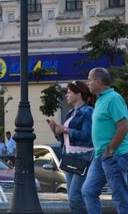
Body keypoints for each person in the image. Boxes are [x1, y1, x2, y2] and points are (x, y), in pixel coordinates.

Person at [83, 67, 128, 214]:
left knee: (121, 197)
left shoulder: (113, 98)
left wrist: (109, 151)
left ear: (98, 81)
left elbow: (123, 126)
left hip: (115, 155)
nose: (88, 83)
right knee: (88, 191)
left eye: (90, 79)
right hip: (100, 156)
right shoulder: (100, 100)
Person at [47, 80, 93, 214]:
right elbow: (64, 139)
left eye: (69, 92)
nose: (66, 95)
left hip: (83, 157)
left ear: (78, 95)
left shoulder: (88, 112)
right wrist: (56, 131)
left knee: (75, 196)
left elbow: (87, 136)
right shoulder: (70, 113)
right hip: (69, 157)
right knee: (72, 197)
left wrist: (65, 129)